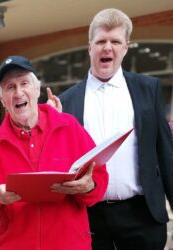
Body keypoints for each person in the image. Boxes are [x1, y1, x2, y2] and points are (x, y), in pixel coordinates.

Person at [57, 8, 173, 250]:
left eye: (115, 41)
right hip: (89, 217)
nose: (107, 47)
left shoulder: (147, 89)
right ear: (90, 47)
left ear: (125, 47)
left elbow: (166, 153)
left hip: (142, 215)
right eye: (101, 41)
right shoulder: (66, 101)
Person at [0, 55, 109, 250]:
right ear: (2, 99)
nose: (18, 92)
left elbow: (99, 177)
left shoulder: (69, 127)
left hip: (71, 245)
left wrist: (89, 186)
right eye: (10, 87)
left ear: (37, 89)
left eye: (24, 83)